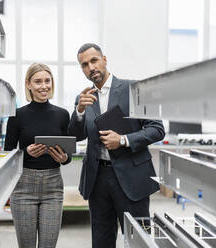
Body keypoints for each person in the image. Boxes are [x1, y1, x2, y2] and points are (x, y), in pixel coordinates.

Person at [68, 43, 165, 248]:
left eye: (94, 60)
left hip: (132, 177)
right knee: (101, 241)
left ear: (104, 59)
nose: (91, 67)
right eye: (84, 64)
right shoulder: (83, 98)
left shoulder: (134, 89)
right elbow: (76, 136)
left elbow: (157, 129)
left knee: (138, 238)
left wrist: (123, 140)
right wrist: (78, 112)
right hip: (98, 180)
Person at [4, 63, 71, 248]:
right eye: (38, 81)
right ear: (28, 84)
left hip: (53, 186)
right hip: (23, 186)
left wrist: (63, 158)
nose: (44, 86)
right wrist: (26, 153)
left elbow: (68, 155)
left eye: (47, 81)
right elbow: (8, 155)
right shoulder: (17, 115)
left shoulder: (63, 115)